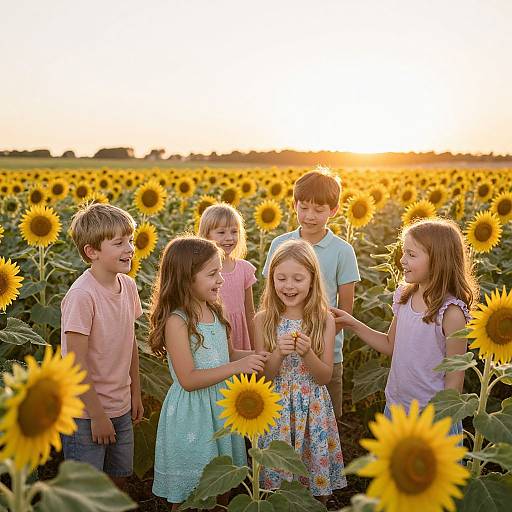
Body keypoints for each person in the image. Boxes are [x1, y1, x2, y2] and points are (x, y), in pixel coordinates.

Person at [148, 236, 268, 510]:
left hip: (221, 409)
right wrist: (237, 367)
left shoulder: (214, 311)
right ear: (186, 278)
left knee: (222, 484)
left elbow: (230, 356)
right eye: (213, 274)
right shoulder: (177, 321)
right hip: (193, 414)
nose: (221, 280)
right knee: (191, 492)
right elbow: (188, 379)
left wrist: (261, 356)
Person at [331, 218, 478, 434]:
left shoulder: (450, 313)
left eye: (411, 254)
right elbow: (391, 344)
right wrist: (352, 323)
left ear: (438, 260)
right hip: (397, 408)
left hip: (432, 418)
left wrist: (438, 421)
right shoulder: (405, 296)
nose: (402, 260)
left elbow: (454, 380)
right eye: (403, 252)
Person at [262, 167, 359, 426]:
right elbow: (270, 295)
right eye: (303, 207)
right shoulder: (279, 244)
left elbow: (344, 311)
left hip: (326, 353)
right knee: (281, 424)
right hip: (279, 351)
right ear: (294, 205)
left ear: (334, 211)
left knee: (325, 423)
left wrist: (316, 338)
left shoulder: (343, 251)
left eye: (319, 209)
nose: (310, 216)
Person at [255, 239, 347, 498]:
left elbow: (324, 376)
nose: (289, 286)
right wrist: (278, 353)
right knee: (276, 481)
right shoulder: (263, 319)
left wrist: (307, 352)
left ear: (312, 279)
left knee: (315, 475)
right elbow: (264, 377)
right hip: (276, 407)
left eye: (298, 278)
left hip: (313, 407)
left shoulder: (323, 320)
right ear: (271, 280)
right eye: (281, 278)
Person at [61, 202, 144, 488]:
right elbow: (75, 363)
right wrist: (97, 415)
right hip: (85, 413)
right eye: (119, 243)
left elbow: (129, 341)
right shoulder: (82, 296)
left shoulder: (128, 286)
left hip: (120, 405)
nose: (130, 249)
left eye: (130, 241)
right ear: (91, 252)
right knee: (87, 491)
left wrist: (135, 391)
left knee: (118, 481)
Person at [199, 203, 256, 349]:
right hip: (213, 335)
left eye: (234, 231)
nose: (229, 238)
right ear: (206, 235)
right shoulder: (200, 271)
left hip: (240, 335)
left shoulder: (244, 269)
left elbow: (250, 313)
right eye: (221, 232)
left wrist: (256, 346)